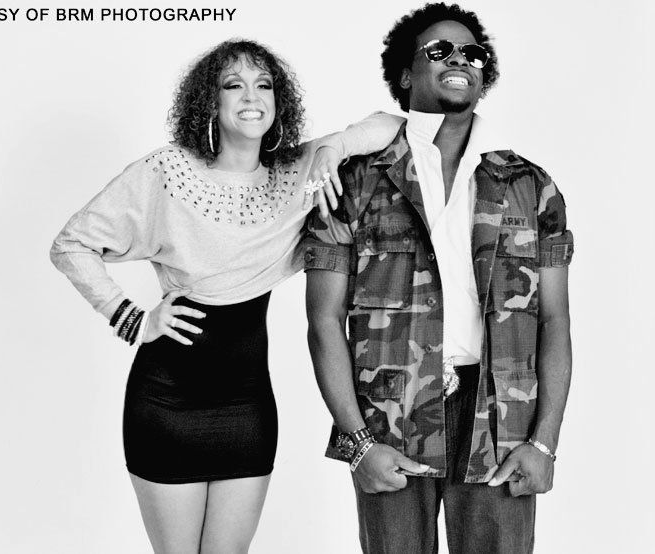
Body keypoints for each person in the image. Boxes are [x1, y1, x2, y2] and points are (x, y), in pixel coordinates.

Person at [50, 40, 400, 553]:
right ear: (210, 102)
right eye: (233, 86)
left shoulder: (297, 173)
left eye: (264, 85)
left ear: (279, 101)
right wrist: (131, 319)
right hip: (166, 403)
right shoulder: (168, 172)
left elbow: (390, 124)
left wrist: (334, 147)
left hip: (246, 406)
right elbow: (71, 244)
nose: (251, 97)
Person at [303, 3, 574, 553]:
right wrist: (358, 444)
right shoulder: (357, 181)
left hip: (500, 421)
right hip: (391, 419)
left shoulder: (531, 185)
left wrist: (544, 443)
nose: (459, 60)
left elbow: (554, 320)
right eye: (440, 50)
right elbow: (323, 320)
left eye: (472, 53)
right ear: (406, 75)